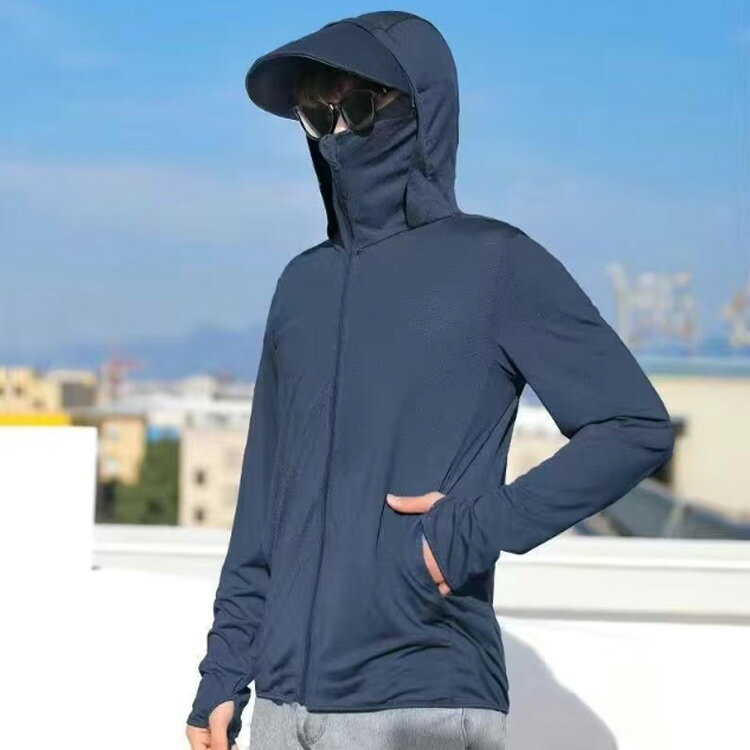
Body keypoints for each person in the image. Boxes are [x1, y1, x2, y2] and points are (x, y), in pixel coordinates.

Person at [186, 10, 675, 750]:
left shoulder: (494, 262)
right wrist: (225, 670)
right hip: (283, 711)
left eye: (357, 106)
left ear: (420, 112)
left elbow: (632, 426)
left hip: (419, 698)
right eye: (317, 113)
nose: (337, 131)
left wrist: (473, 529)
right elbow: (263, 504)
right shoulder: (301, 287)